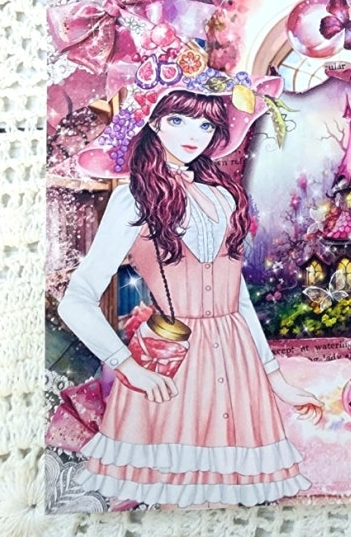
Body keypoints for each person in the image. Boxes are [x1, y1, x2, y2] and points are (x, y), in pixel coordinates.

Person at [58, 83, 323, 509]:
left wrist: (277, 381)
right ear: (153, 122)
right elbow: (76, 299)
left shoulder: (225, 196)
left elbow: (237, 298)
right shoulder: (133, 199)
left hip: (237, 366)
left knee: (230, 507)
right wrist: (128, 367)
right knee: (174, 505)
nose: (192, 134)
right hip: (170, 368)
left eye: (205, 124)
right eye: (178, 119)